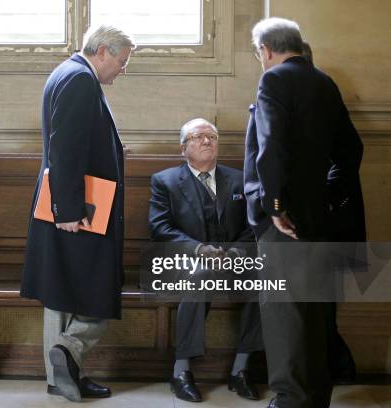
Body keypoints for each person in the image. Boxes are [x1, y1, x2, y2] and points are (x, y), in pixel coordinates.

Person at [245, 18, 363, 408]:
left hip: (286, 221)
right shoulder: (324, 82)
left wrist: (276, 206)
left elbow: (271, 148)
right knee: (314, 310)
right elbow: (351, 151)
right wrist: (328, 195)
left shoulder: (274, 80)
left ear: (265, 49)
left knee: (284, 313)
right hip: (320, 217)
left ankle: (290, 399)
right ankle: (314, 397)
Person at [20, 25, 135, 403]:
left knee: (62, 290)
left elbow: (74, 141)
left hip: (70, 202)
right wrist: (67, 209)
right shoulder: (80, 80)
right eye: (122, 62)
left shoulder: (67, 72)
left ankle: (63, 378)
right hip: (78, 207)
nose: (122, 70)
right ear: (102, 51)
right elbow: (65, 148)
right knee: (94, 288)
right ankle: (69, 350)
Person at [149, 118, 263, 403]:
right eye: (198, 137)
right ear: (183, 147)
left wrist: (236, 253)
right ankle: (181, 371)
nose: (206, 141)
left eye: (212, 137)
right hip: (187, 262)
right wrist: (199, 251)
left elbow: (253, 227)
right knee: (199, 275)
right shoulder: (164, 181)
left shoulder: (239, 179)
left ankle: (241, 370)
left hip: (233, 260)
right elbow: (160, 228)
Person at [302, 39, 364, 385]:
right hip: (325, 221)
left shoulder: (319, 94)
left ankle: (333, 368)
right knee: (318, 303)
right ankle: (334, 368)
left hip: (331, 223)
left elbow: (349, 153)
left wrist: (322, 198)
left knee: (321, 304)